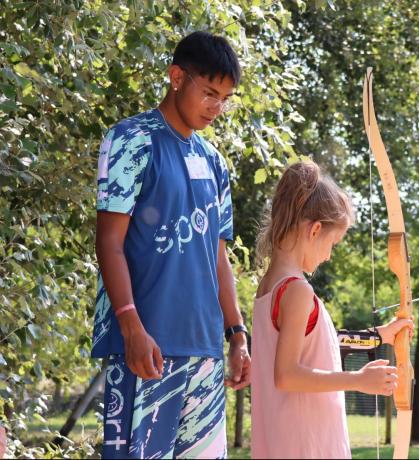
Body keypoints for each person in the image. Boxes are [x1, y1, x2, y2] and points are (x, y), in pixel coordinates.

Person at [92, 31, 249, 459]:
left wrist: (237, 334)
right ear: (177, 77)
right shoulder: (130, 140)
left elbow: (218, 256)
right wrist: (131, 327)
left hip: (205, 353)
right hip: (145, 348)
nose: (217, 108)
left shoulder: (215, 163)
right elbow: (109, 242)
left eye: (225, 99)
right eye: (210, 93)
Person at [250, 161, 413, 458]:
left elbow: (317, 343)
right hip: (305, 444)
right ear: (315, 230)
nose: (328, 255)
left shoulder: (269, 287)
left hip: (286, 441)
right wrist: (358, 380)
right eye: (333, 243)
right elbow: (286, 375)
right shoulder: (297, 291)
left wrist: (378, 336)